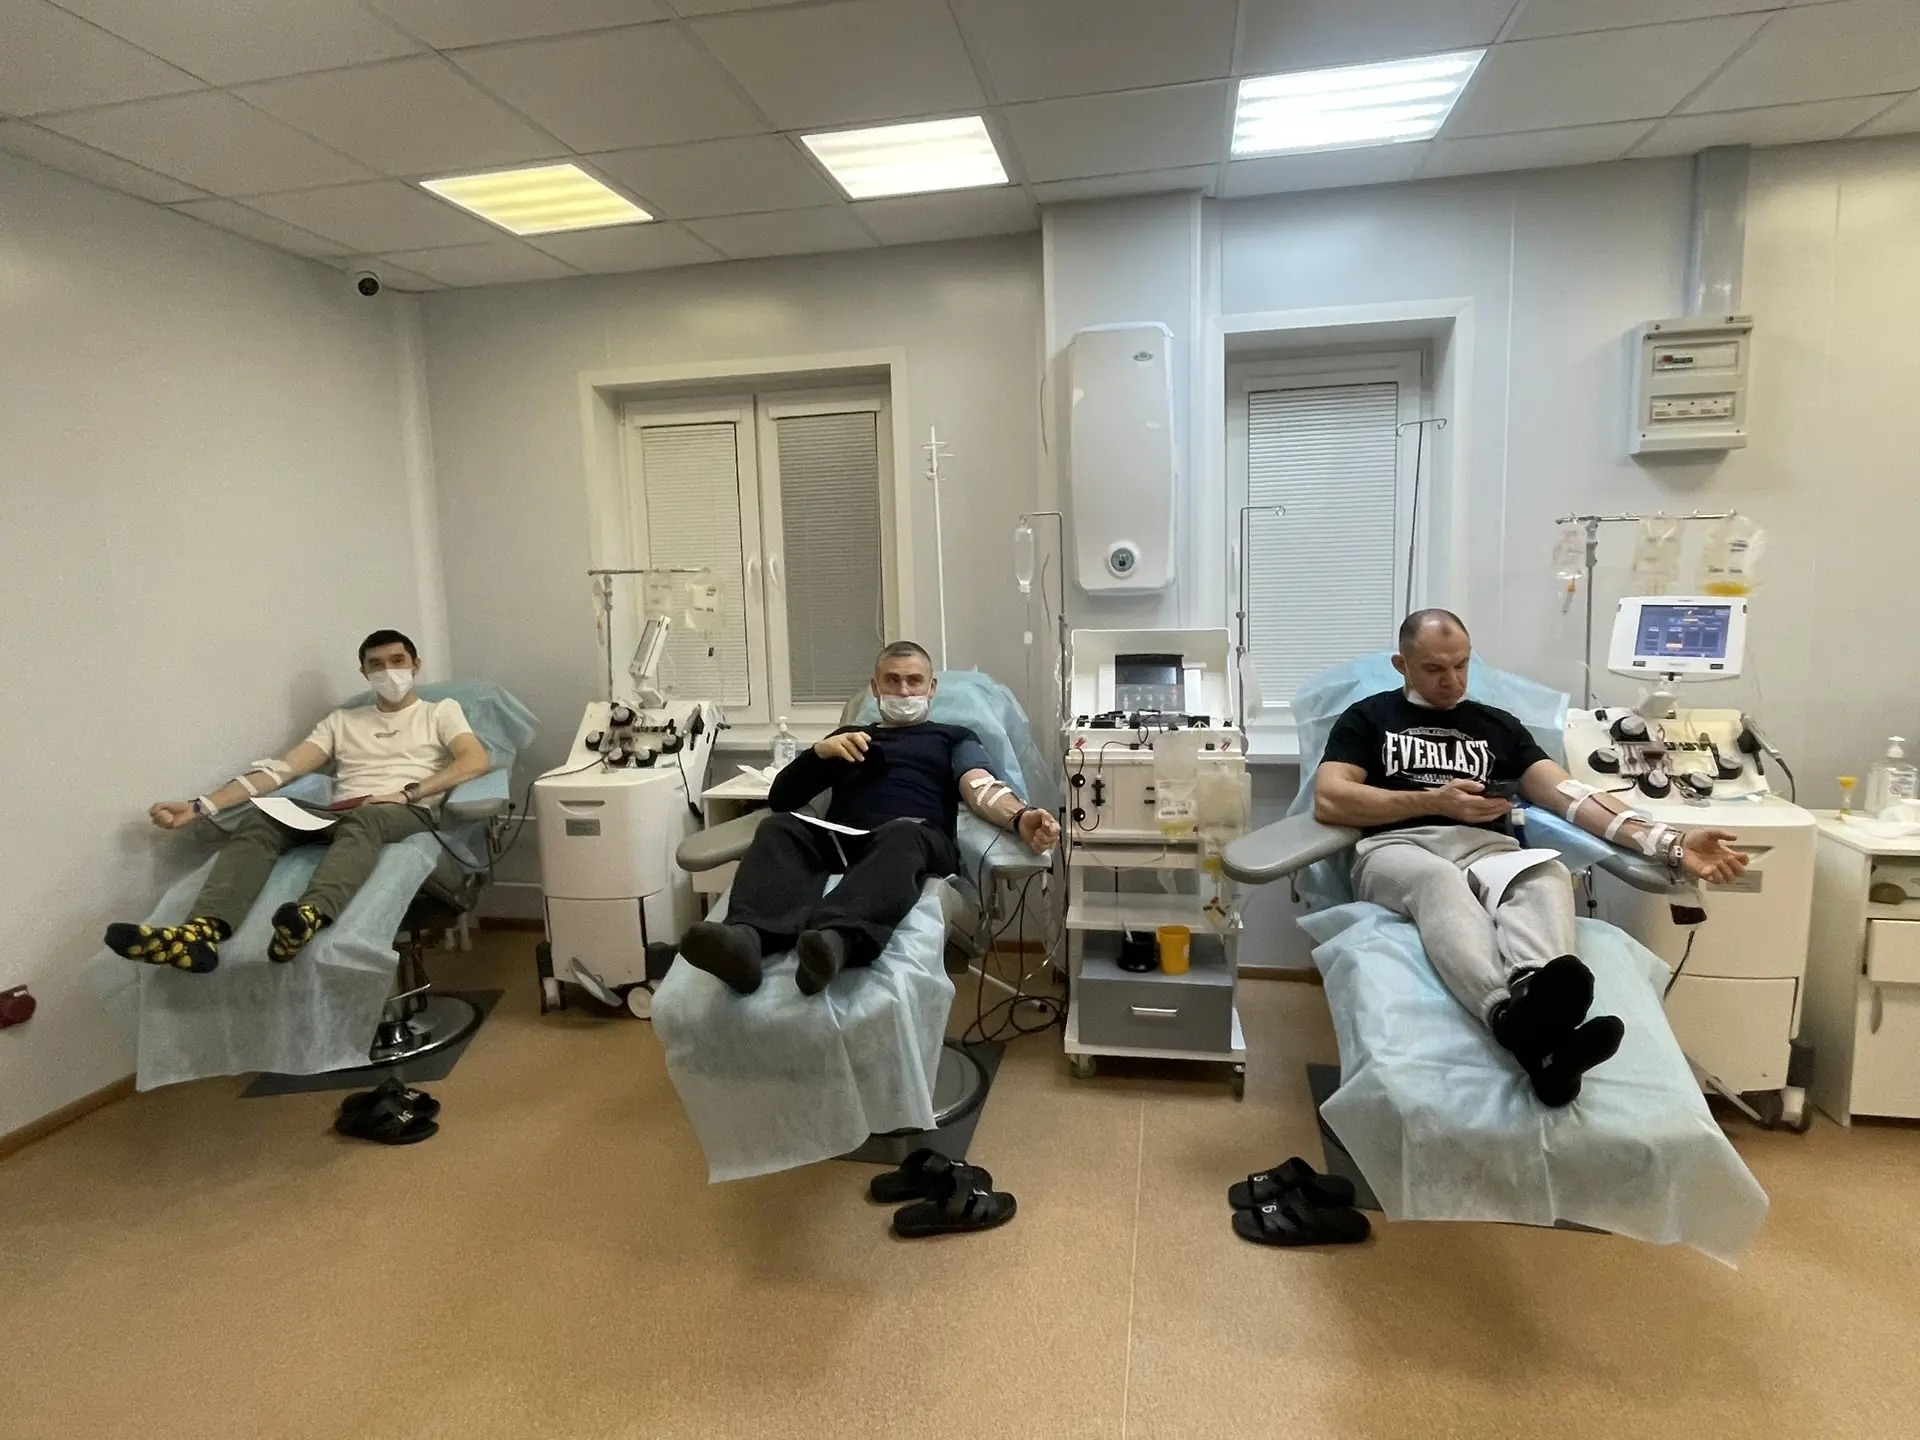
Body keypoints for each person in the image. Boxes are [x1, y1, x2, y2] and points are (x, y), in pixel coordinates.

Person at [1313, 610, 1749, 1106]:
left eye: (1461, 665)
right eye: (1434, 668)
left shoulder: (1497, 726)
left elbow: (1571, 796)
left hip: (1486, 849)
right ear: (1402, 665)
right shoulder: (1368, 718)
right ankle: (1503, 1015)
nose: (1451, 680)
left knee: (1546, 872)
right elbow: (1330, 798)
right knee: (1438, 881)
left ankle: (1537, 1000)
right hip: (1399, 848)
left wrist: (1669, 842)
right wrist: (1433, 801)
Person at [679, 640, 1061, 997]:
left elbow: (980, 787)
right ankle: (746, 942)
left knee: (902, 833)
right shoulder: (849, 739)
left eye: (914, 681)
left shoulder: (953, 737)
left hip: (914, 840)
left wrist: (1020, 816)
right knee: (779, 827)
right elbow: (782, 799)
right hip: (842, 839)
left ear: (932, 688)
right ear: (875, 688)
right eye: (892, 681)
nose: (904, 691)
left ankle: (836, 942)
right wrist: (819, 753)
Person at [104, 630, 490, 974]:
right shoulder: (343, 721)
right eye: (376, 664)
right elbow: (280, 772)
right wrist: (199, 807)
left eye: (397, 661)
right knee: (262, 819)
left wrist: (406, 793)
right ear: (364, 672)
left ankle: (308, 916)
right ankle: (200, 934)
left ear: (415, 665)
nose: (388, 671)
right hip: (339, 812)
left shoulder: (440, 712)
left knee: (367, 818)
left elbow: (475, 760)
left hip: (405, 810)